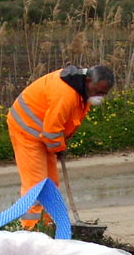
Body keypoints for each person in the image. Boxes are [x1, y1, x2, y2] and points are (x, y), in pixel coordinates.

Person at [7, 64, 115, 229]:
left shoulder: (81, 89)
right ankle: (33, 229)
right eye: (98, 91)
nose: (100, 96)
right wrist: (59, 148)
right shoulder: (66, 94)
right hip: (27, 130)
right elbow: (51, 131)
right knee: (36, 186)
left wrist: (58, 144)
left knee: (50, 182)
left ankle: (47, 225)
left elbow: (58, 127)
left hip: (45, 134)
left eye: (103, 93)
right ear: (87, 81)